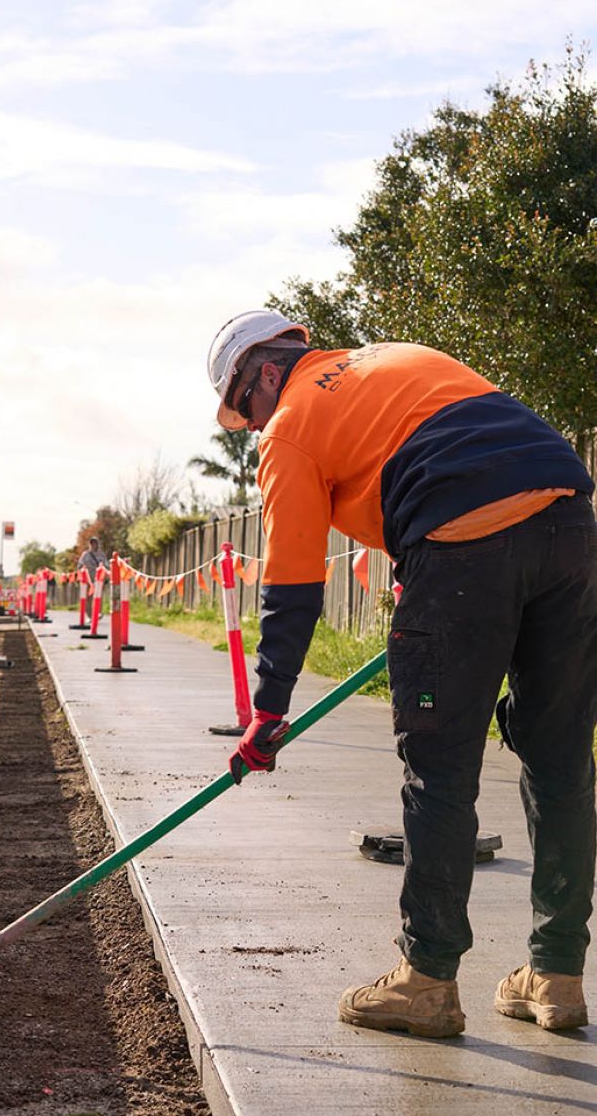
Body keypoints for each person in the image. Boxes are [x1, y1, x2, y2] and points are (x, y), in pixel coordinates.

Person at [209, 309, 597, 1037]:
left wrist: (268, 709)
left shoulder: (290, 423)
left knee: (439, 764)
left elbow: (291, 584)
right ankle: (556, 974)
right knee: (561, 756)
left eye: (246, 409)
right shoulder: (394, 357)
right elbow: (449, 452)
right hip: (569, 524)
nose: (253, 428)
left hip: (463, 547)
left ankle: (427, 978)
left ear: (266, 371)